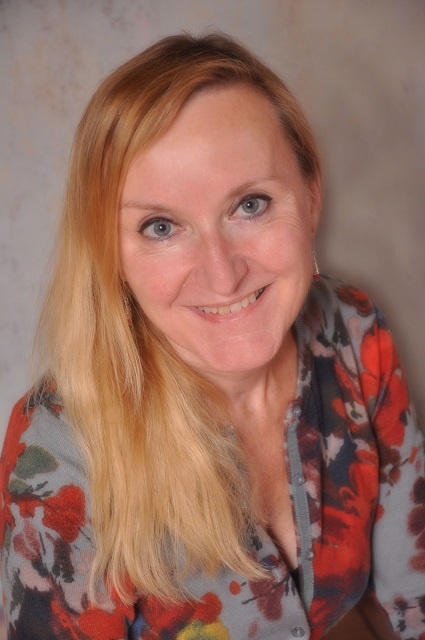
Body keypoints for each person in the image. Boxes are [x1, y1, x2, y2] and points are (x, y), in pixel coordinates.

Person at [1, 32, 424, 640]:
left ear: (311, 196)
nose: (223, 275)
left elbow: (414, 592)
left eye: (250, 205)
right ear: (109, 254)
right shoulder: (59, 454)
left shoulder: (354, 331)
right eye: (161, 226)